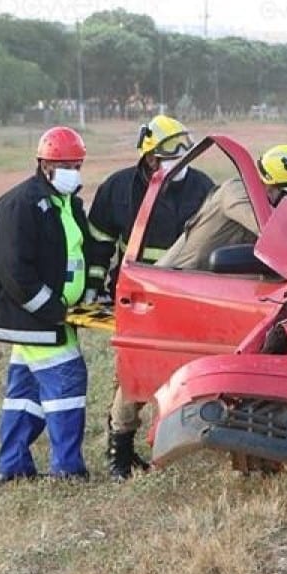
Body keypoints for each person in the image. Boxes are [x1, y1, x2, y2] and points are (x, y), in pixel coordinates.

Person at [87, 115, 216, 479]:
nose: (181, 162)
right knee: (133, 375)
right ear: (150, 158)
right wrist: (96, 288)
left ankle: (165, 438)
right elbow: (99, 243)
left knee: (181, 369)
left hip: (189, 296)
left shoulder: (201, 186)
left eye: (184, 153)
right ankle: (120, 455)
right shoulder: (119, 189)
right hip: (141, 297)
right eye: (170, 154)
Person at [0, 126, 93, 484]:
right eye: (65, 164)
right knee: (68, 383)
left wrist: (85, 294)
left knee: (24, 394)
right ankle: (68, 470)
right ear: (44, 165)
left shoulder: (68, 203)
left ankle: (12, 467)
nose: (73, 171)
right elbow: (14, 271)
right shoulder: (19, 205)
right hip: (35, 317)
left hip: (56, 314)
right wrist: (52, 310)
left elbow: (74, 254)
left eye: (77, 164)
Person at [157, 143, 287, 270]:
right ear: (272, 187)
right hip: (170, 285)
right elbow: (276, 232)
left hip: (208, 285)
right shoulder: (236, 192)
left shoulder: (261, 201)